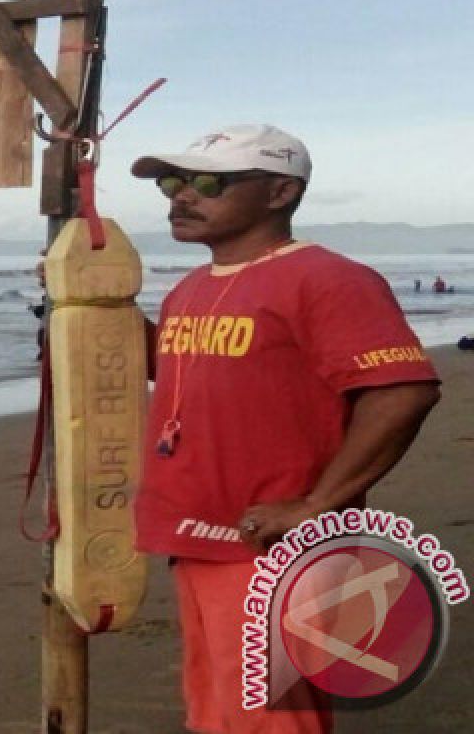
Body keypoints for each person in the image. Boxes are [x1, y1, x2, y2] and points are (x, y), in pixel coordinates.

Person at [130, 124, 440, 733]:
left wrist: (318, 504)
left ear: (279, 192)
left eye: (207, 182)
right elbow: (176, 370)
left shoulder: (328, 279)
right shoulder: (191, 288)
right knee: (217, 712)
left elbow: (404, 389)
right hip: (197, 537)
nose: (180, 196)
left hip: (271, 549)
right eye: (173, 181)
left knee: (271, 721)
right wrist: (96, 302)